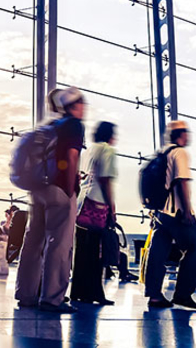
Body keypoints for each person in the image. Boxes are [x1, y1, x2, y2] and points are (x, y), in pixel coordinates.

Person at [15, 86, 85, 313]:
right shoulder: (73, 124)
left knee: (33, 241)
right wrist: (71, 185)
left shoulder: (48, 127)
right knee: (59, 244)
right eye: (81, 104)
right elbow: (71, 156)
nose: (84, 108)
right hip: (59, 189)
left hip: (38, 189)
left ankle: (26, 294)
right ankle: (52, 298)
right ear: (73, 106)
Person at [144, 120, 196, 310]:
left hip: (159, 212)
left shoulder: (162, 153)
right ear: (181, 134)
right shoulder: (180, 153)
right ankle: (183, 295)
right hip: (175, 211)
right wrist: (186, 211)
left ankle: (154, 295)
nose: (189, 136)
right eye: (187, 132)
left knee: (158, 252)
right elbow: (181, 182)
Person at [71, 121, 117, 306]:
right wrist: (112, 207)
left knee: (82, 250)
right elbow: (105, 179)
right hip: (97, 204)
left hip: (82, 203)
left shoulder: (89, 150)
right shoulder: (107, 150)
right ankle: (95, 292)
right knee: (96, 251)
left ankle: (78, 291)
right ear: (109, 135)